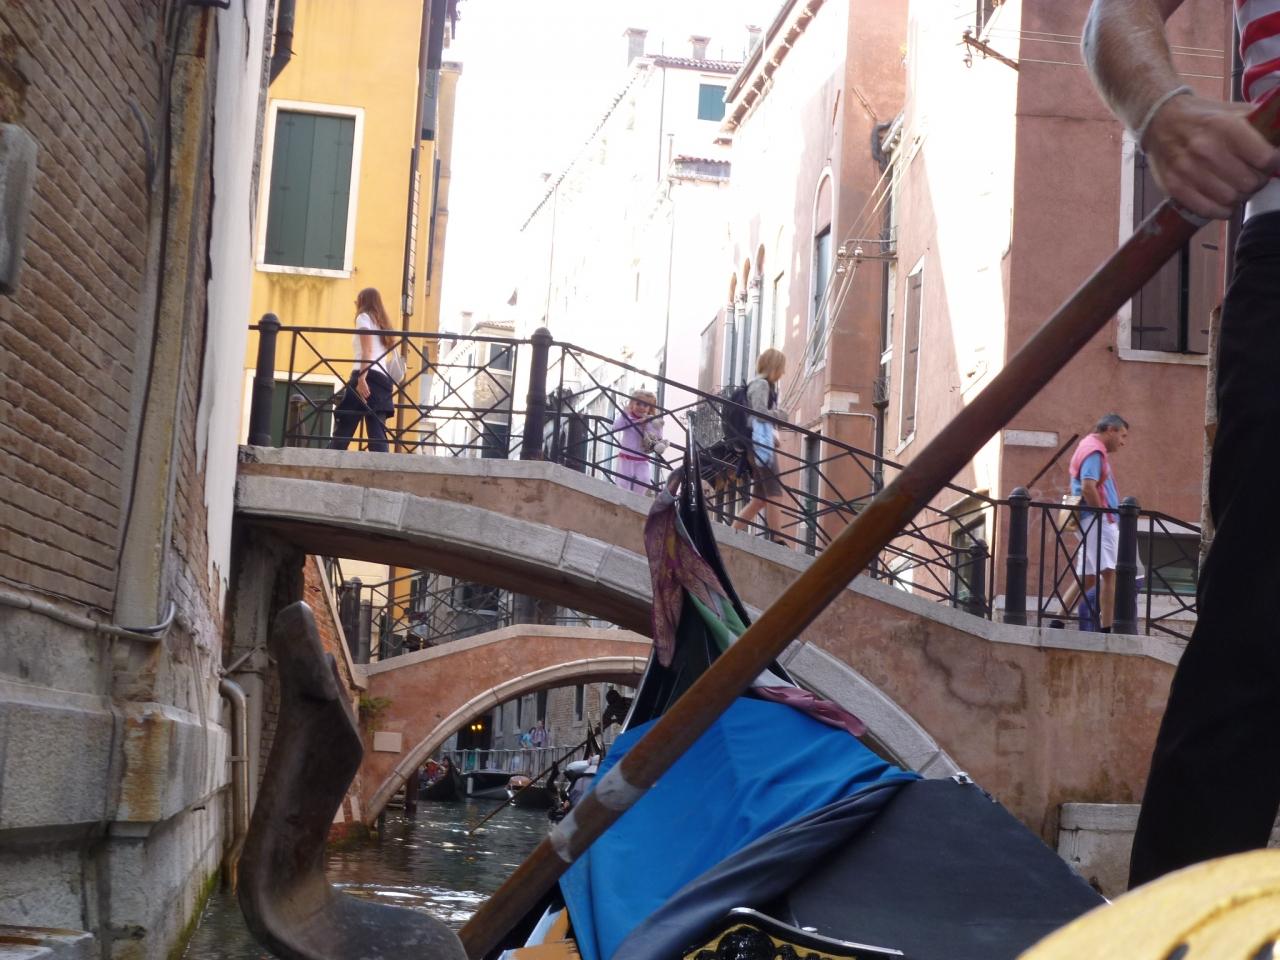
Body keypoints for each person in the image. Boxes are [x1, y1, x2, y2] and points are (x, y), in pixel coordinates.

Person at [1081, 0, 1280, 887]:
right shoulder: (1092, 454)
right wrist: (1163, 114)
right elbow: (1115, 12)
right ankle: (1175, 938)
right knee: (1256, 635)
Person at [1061, 415, 1129, 633]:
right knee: (1110, 573)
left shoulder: (1088, 446)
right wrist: (1102, 514)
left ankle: (1057, 621)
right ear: (1110, 430)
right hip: (1096, 519)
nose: (1123, 442)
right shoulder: (1094, 451)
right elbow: (1088, 486)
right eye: (1122, 435)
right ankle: (1107, 629)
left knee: (1088, 577)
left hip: (1090, 518)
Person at [329, 287, 397, 452]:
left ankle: (328, 462)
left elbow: (368, 350)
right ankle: (381, 466)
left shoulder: (363, 318)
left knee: (346, 423)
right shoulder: (383, 324)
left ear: (363, 301)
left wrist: (361, 378)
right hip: (382, 379)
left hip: (366, 374)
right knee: (377, 431)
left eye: (357, 301)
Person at [733, 348, 787, 539]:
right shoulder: (761, 385)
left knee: (759, 499)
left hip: (756, 444)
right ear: (775, 367)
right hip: (760, 446)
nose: (783, 372)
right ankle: (778, 540)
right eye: (782, 367)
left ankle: (731, 532)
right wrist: (781, 415)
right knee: (774, 492)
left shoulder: (761, 385)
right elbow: (759, 413)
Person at [611, 389, 667, 493]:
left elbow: (658, 436)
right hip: (626, 457)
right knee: (622, 482)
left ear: (650, 408)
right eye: (638, 404)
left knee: (644, 480)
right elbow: (615, 427)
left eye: (645, 405)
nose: (641, 407)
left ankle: (637, 498)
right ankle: (622, 499)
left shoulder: (652, 421)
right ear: (632, 404)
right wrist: (624, 415)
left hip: (642, 458)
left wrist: (647, 425)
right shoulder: (627, 418)